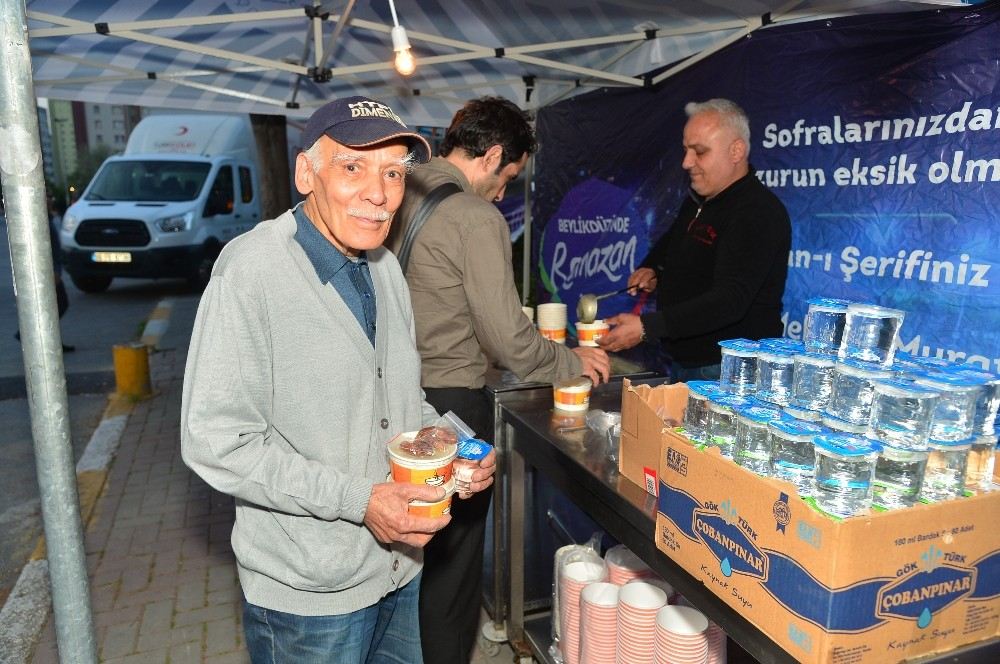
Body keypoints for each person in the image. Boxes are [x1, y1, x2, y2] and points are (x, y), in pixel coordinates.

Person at [181, 95, 495, 664]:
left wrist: (451, 449)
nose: (379, 193)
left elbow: (402, 401)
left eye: (394, 172)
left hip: (400, 573)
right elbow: (216, 443)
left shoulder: (386, 270)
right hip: (309, 597)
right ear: (307, 173)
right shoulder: (249, 274)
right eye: (353, 167)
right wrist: (359, 501)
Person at [386, 96, 611, 663]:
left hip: (394, 397)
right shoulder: (473, 216)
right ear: (489, 156)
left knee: (407, 553)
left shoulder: (398, 189)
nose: (504, 193)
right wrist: (571, 364)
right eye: (508, 176)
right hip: (451, 402)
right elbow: (508, 338)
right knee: (453, 567)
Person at [599, 98, 791, 382]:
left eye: (699, 152)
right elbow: (673, 242)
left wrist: (646, 327)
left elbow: (730, 300)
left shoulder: (757, 212)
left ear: (736, 151)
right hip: (688, 361)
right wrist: (653, 268)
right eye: (686, 150)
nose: (686, 162)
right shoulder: (701, 200)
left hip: (727, 373)